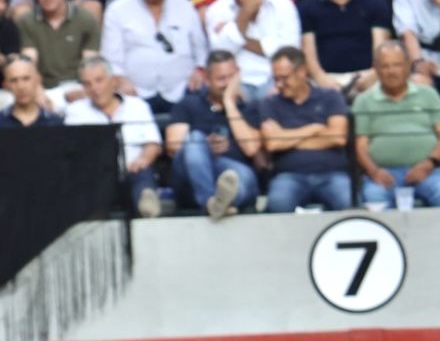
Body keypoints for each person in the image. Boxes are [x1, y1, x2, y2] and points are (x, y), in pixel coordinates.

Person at [353, 38, 440, 209]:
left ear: (408, 65)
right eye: (385, 66)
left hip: (429, 171)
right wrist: (375, 172)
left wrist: (428, 164)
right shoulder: (364, 101)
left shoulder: (428, 94)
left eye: (396, 65)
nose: (391, 71)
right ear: (377, 69)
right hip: (383, 174)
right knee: (372, 197)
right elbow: (360, 146)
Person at [102, 0, 209, 115]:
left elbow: (201, 51)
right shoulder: (117, 11)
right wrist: (120, 79)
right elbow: (111, 60)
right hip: (135, 94)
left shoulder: (184, 5)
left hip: (182, 90)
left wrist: (200, 71)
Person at [64, 55, 164, 217]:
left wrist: (144, 159)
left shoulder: (137, 106)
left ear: (112, 81)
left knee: (143, 175)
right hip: (95, 175)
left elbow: (153, 144)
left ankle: (147, 202)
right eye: (87, 84)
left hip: (133, 170)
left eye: (99, 80)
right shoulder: (76, 112)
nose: (95, 88)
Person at [166, 48, 261, 218]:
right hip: (193, 175)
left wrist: (229, 103)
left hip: (231, 170)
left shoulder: (249, 107)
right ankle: (209, 202)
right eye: (221, 79)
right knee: (195, 140)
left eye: (231, 77)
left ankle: (220, 203)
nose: (227, 84)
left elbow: (252, 148)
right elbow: (173, 147)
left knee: (243, 177)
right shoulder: (189, 103)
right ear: (207, 80)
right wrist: (205, 146)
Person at [260, 44, 353, 212]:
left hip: (332, 175)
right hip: (289, 176)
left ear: (302, 72)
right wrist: (314, 129)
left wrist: (286, 137)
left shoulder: (330, 96)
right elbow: (273, 144)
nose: (279, 84)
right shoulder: (270, 103)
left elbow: (338, 137)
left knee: (347, 200)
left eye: (284, 78)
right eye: (276, 79)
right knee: (278, 202)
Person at [298, 0, 391, 96]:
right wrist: (322, 80)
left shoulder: (375, 3)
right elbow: (309, 56)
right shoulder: (307, 7)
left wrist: (372, 75)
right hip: (325, 80)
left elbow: (381, 48)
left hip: (367, 76)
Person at [205, 0, 300, 100]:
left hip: (274, 78)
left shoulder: (284, 5)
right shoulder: (217, 9)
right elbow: (221, 53)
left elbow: (288, 51)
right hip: (236, 81)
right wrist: (245, 13)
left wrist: (237, 36)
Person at [15, 0, 99, 110]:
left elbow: (91, 65)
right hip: (44, 88)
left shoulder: (85, 19)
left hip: (78, 88)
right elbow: (29, 63)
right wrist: (38, 92)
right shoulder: (27, 21)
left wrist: (83, 92)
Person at [0, 51, 61, 124]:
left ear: (38, 79)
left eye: (26, 79)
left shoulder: (55, 122)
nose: (21, 86)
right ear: (6, 85)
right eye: (13, 80)